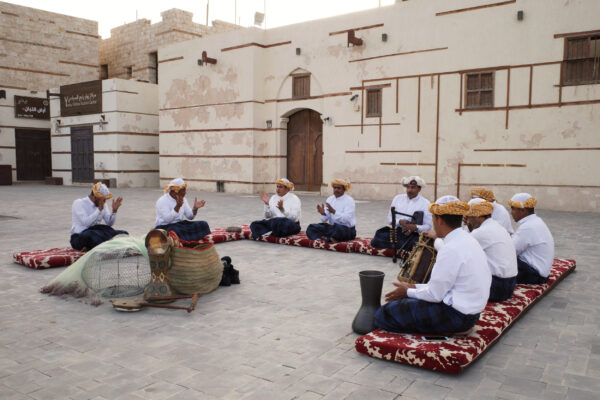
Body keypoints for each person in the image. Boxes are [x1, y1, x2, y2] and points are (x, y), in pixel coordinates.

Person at [374, 196, 491, 334]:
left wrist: (407, 292)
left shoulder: (450, 248)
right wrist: (413, 287)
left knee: (385, 314)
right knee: (404, 304)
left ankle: (450, 329)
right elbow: (443, 286)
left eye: (433, 219)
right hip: (471, 313)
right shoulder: (467, 239)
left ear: (439, 220)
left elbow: (434, 294)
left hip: (456, 316)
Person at [464, 198, 518, 302]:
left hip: (497, 287)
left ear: (478, 216)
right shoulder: (496, 226)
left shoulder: (482, 232)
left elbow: (457, 250)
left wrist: (437, 239)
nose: (468, 221)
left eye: (469, 217)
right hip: (509, 285)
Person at [370, 176, 432, 250]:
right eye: (408, 187)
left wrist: (415, 227)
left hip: (413, 234)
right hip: (398, 231)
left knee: (415, 242)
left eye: (413, 187)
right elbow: (389, 219)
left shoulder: (426, 203)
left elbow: (428, 226)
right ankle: (400, 245)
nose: (409, 190)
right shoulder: (398, 199)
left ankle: (398, 245)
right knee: (378, 236)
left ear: (419, 189)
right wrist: (400, 222)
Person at [509, 193, 554, 284]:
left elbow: (510, 251)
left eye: (513, 209)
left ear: (523, 210)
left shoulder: (528, 227)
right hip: (540, 271)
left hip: (534, 274)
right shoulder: (536, 221)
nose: (511, 212)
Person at [70, 182, 127, 251]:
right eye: (103, 199)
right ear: (95, 197)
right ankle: (100, 245)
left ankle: (92, 246)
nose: (105, 201)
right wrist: (99, 210)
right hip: (80, 236)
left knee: (123, 234)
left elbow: (109, 223)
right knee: (89, 235)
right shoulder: (79, 203)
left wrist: (114, 211)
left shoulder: (102, 203)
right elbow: (86, 223)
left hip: (96, 232)